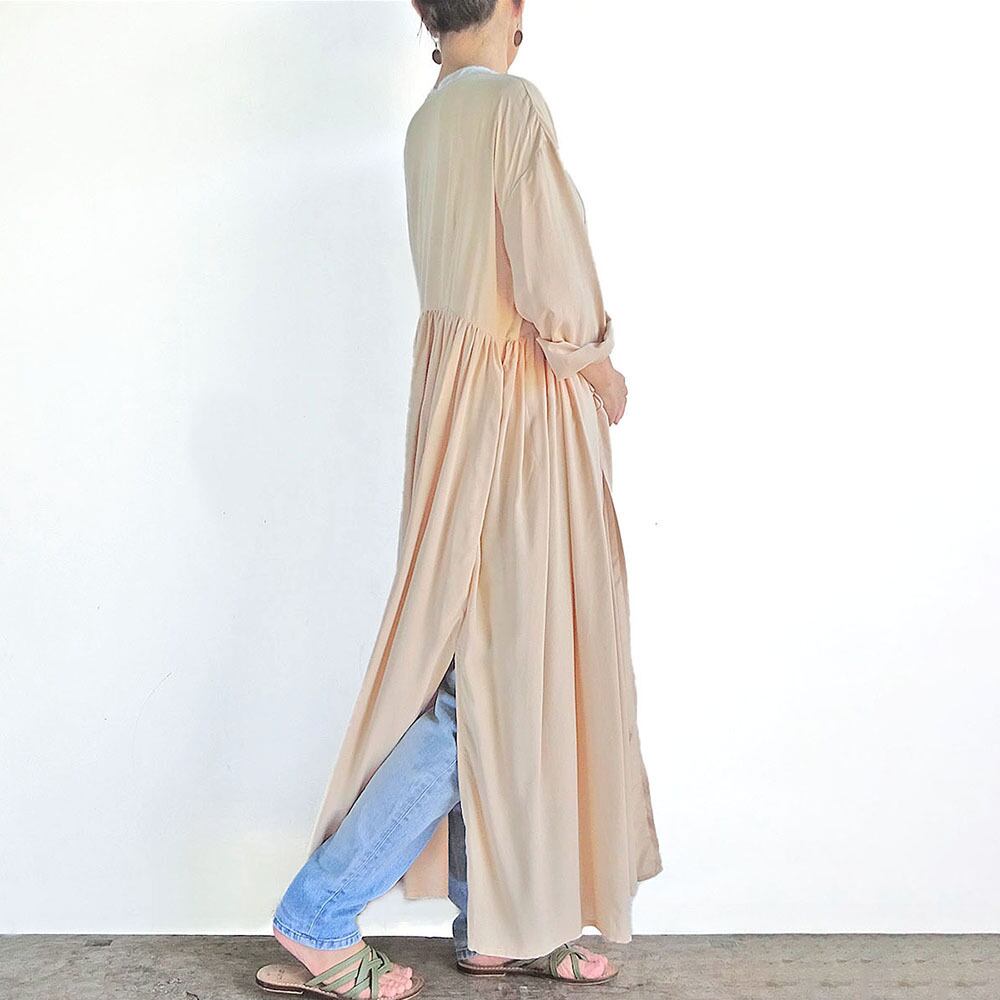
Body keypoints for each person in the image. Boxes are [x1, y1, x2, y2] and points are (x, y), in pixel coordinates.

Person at [255, 1, 661, 996]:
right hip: (516, 421)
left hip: (454, 412)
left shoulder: (430, 118)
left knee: (494, 672)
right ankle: (319, 911)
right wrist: (600, 367)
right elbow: (551, 276)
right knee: (484, 684)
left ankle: (496, 923)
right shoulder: (510, 106)